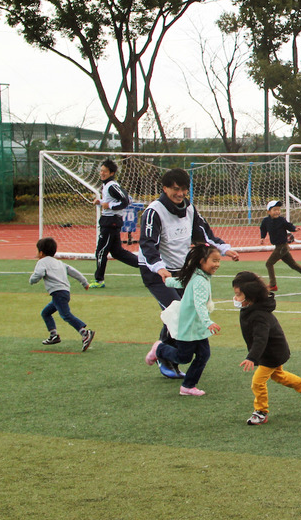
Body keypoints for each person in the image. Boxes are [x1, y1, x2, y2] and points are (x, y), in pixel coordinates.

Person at [137, 168, 239, 379]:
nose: (180, 194)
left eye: (184, 189)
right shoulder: (153, 212)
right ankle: (165, 355)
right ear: (165, 188)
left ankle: (163, 349)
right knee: (177, 311)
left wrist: (223, 248)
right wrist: (159, 267)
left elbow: (203, 234)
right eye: (176, 189)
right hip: (156, 272)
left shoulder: (189, 208)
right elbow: (148, 244)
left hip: (182, 271)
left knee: (185, 312)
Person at [234, 270, 301, 425]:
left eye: (239, 295)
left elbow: (261, 339)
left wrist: (251, 357)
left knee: (257, 382)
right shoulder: (250, 308)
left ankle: (261, 411)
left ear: (251, 296)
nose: (236, 298)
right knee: (278, 376)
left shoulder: (260, 315)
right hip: (270, 352)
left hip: (272, 353)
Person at [144, 243, 223, 397]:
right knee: (183, 357)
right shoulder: (200, 280)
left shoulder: (198, 276)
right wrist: (208, 322)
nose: (217, 264)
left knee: (203, 355)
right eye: (214, 260)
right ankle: (159, 349)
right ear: (201, 261)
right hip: (189, 325)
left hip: (197, 327)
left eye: (219, 261)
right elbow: (199, 305)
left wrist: (168, 281)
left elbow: (181, 282)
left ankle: (188, 386)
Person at [30, 237, 95, 351]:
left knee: (66, 315)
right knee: (46, 313)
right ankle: (53, 335)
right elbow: (73, 272)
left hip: (58, 293)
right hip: (65, 292)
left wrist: (32, 280)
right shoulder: (59, 263)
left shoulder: (42, 262)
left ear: (41, 252)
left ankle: (85, 333)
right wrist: (84, 282)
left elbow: (39, 274)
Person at [91, 158, 139, 287]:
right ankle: (145, 265)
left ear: (111, 173)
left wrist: (109, 206)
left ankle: (99, 280)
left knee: (101, 251)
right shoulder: (107, 186)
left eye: (105, 171)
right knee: (117, 252)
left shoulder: (112, 186)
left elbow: (125, 201)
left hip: (110, 222)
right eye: (101, 170)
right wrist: (101, 202)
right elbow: (111, 202)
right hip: (110, 221)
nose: (102, 173)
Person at [259, 200, 301, 293]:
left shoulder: (281, 220)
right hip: (280, 247)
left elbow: (288, 225)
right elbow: (263, 228)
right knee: (293, 265)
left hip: (282, 247)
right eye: (275, 210)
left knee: (269, 263)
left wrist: (295, 228)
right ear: (268, 211)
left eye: (278, 210)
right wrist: (262, 237)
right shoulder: (266, 221)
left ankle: (273, 285)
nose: (277, 212)